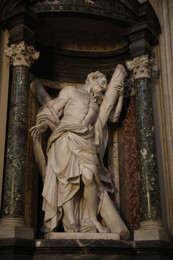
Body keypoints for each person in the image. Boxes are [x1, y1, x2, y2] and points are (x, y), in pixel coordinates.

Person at [30, 64, 130, 239]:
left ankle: (92, 220)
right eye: (102, 84)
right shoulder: (71, 91)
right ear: (92, 79)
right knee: (66, 180)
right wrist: (44, 124)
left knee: (89, 177)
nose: (103, 88)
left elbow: (113, 117)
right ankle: (72, 223)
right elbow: (53, 109)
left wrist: (120, 96)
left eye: (105, 87)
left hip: (86, 141)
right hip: (66, 136)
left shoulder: (97, 104)